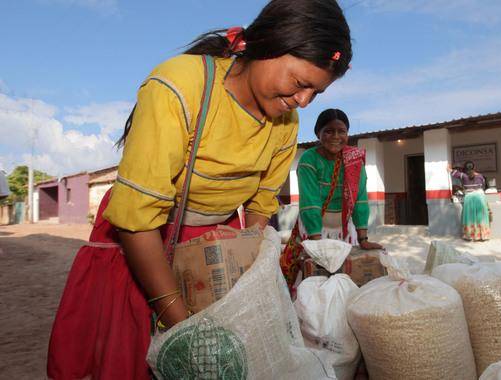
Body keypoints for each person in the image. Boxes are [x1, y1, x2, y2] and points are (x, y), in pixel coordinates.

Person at [47, 1, 352, 378]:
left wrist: (250, 243)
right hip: (145, 246)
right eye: (301, 83)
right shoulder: (180, 86)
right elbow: (137, 221)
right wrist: (180, 321)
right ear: (268, 43)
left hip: (213, 252)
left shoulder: (285, 123)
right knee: (142, 356)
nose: (304, 101)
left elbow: (260, 205)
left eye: (316, 93)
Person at [280, 109, 383, 285]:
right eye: (328, 131)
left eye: (341, 131)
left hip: (344, 229)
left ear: (347, 134)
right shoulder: (308, 159)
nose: (336, 136)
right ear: (318, 133)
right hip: (313, 230)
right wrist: (317, 245)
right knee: (314, 279)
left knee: (342, 276)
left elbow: (360, 200)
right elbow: (310, 202)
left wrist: (363, 239)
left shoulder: (354, 160)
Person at [448, 161, 491, 241]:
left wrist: (449, 167)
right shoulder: (480, 176)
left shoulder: (463, 176)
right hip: (480, 197)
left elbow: (453, 173)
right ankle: (482, 236)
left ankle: (470, 236)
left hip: (469, 198)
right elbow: (483, 186)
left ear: (465, 169)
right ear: (474, 168)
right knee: (481, 217)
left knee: (470, 217)